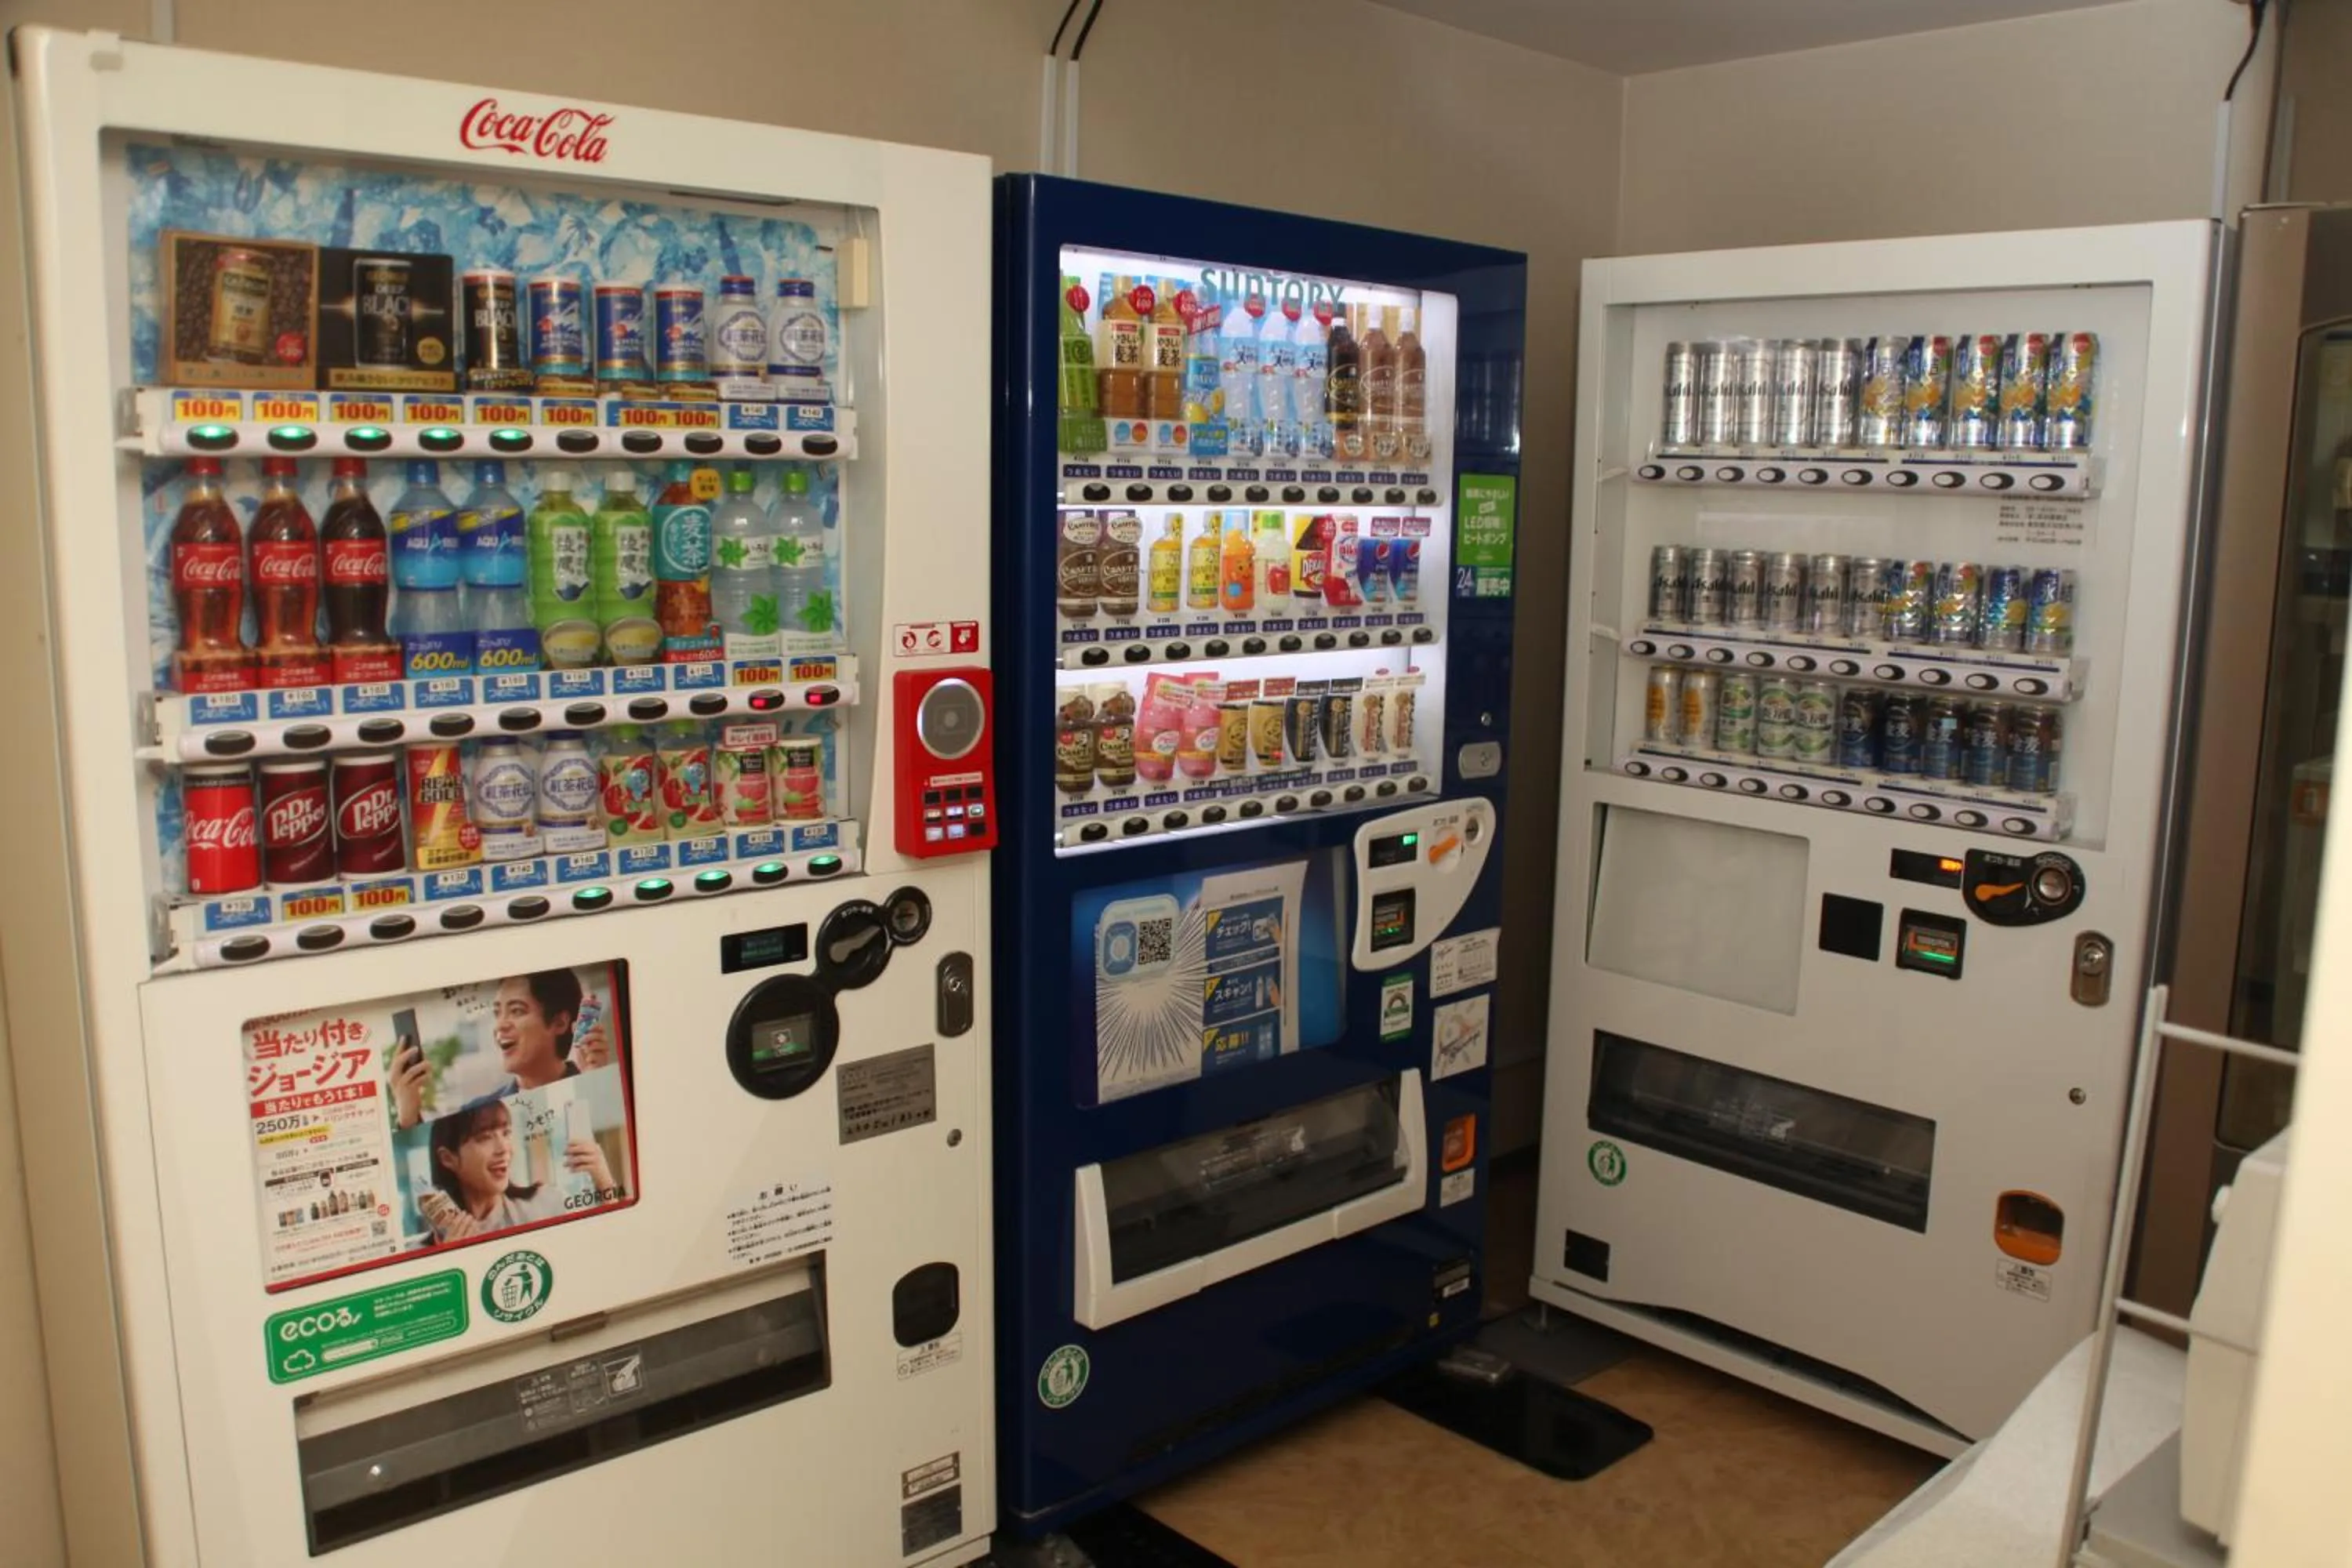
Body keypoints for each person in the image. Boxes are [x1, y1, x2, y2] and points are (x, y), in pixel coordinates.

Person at [392, 968, 615, 1131]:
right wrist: (408, 1116)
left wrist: (592, 1086)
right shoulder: (476, 1112)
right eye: (497, 1013)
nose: (499, 1025)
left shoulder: (600, 1087)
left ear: (559, 1023)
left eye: (517, 1011)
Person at [414, 1096, 617, 1243]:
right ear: (448, 1159)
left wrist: (605, 1184)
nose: (504, 1148)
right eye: (484, 1137)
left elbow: (606, 1246)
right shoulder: (423, 1249)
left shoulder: (547, 1203)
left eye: (506, 1133)